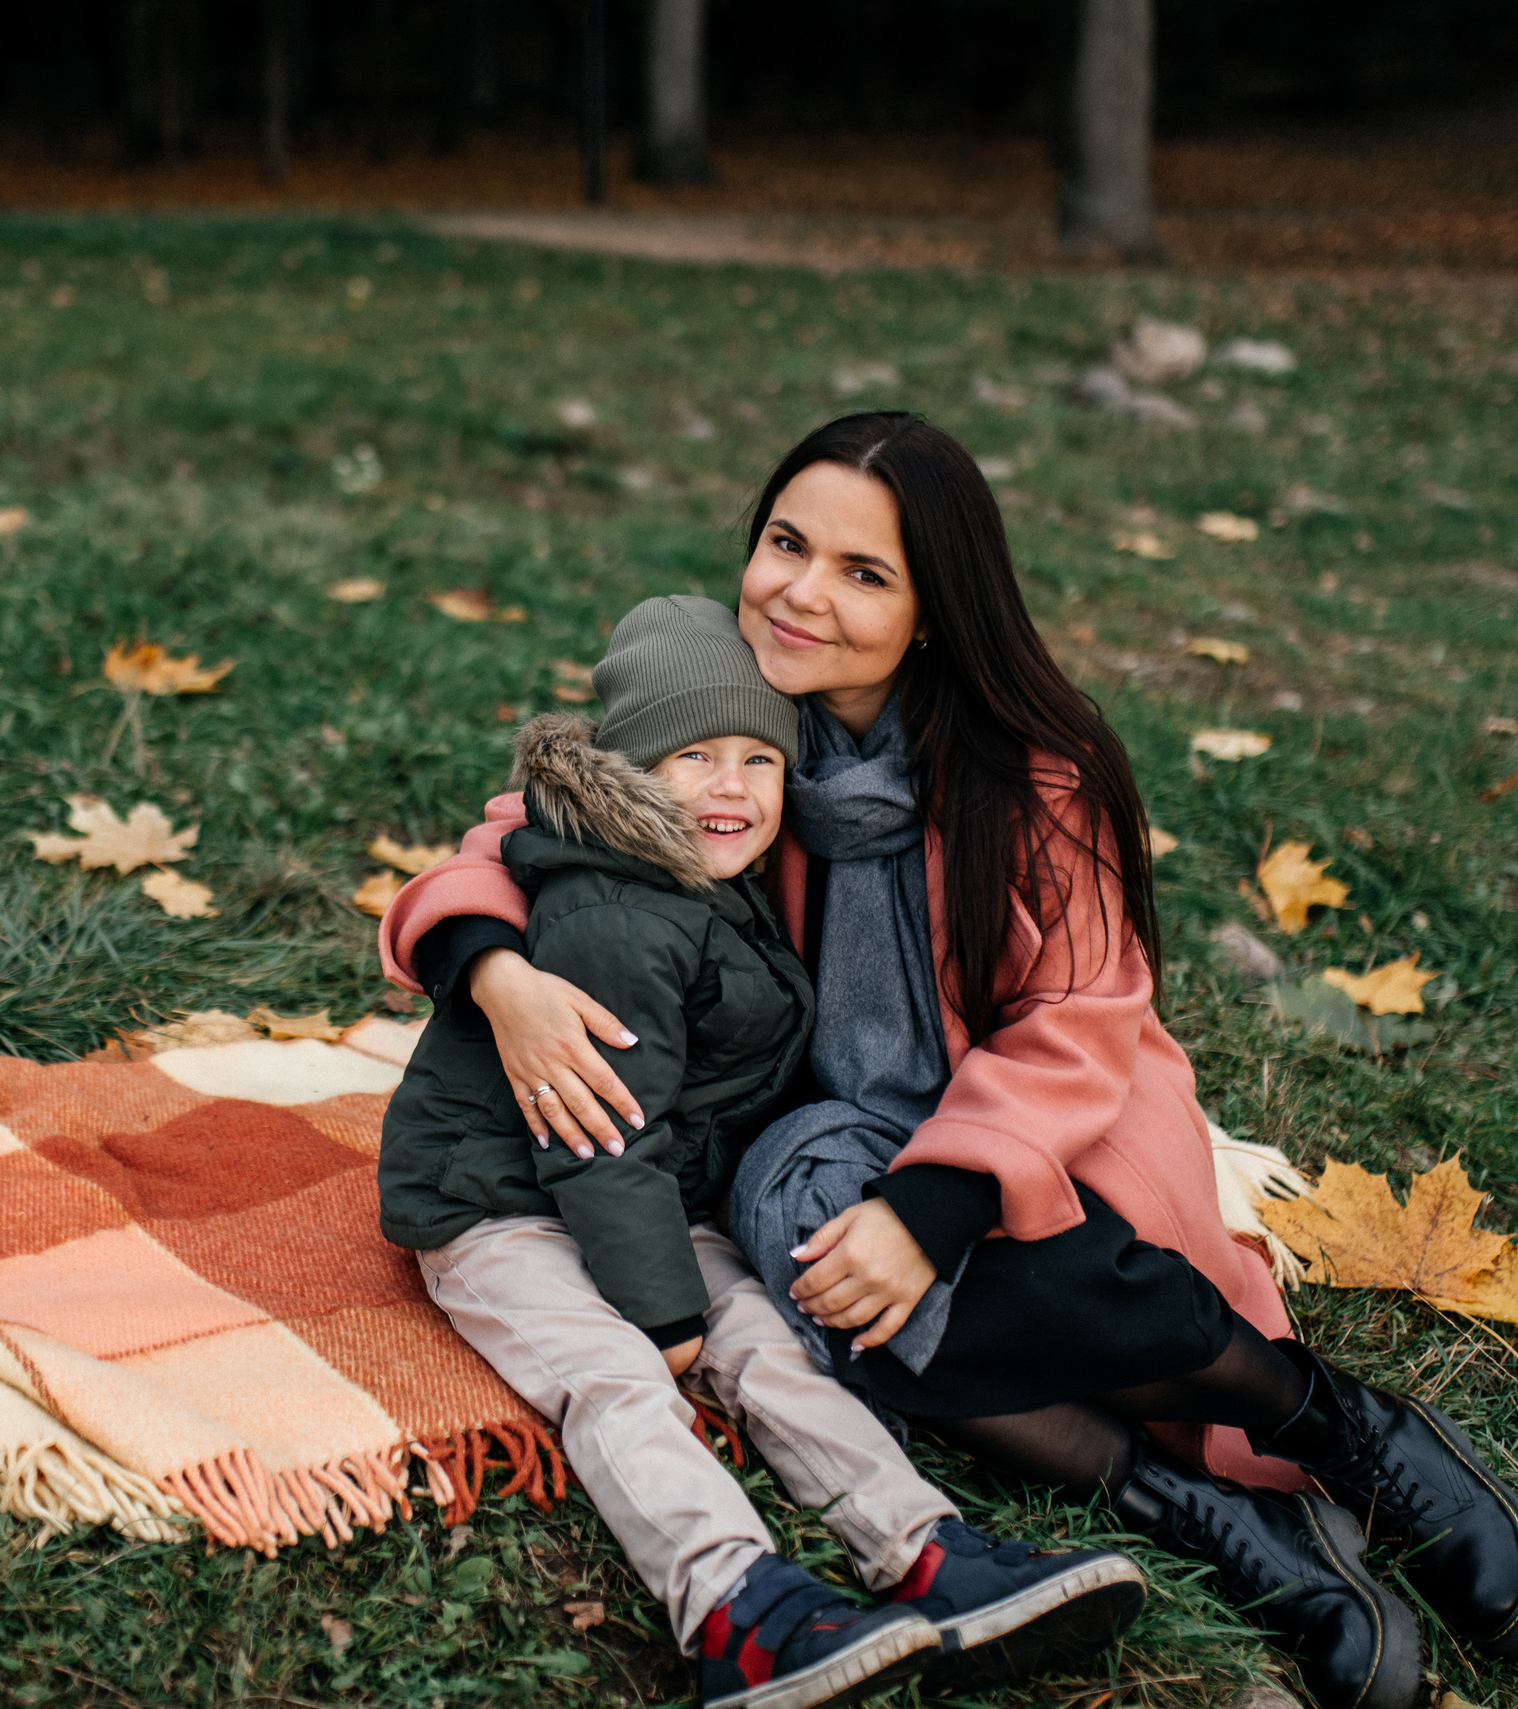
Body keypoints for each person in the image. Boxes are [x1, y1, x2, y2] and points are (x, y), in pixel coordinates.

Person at [379, 417, 1518, 1709]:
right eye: (786, 544)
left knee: (979, 1266)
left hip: (1036, 1129)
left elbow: (1080, 1022)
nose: (801, 592)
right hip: (833, 1134)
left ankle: (1330, 1421)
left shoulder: (1033, 770)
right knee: (822, 1270)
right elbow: (530, 835)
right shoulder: (741, 723)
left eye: (862, 572)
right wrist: (497, 974)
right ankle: (1205, 1512)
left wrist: (929, 1207)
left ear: (934, 610)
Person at [380, 596, 1147, 1709]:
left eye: (758, 759)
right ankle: (738, 1606)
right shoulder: (618, 915)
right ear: (630, 773)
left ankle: (928, 1549)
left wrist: (695, 1285)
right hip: (498, 1197)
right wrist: (664, 1313)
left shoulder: (708, 877)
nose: (730, 786)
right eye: (693, 757)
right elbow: (599, 1135)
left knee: (774, 1347)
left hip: (651, 1188)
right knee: (617, 1376)